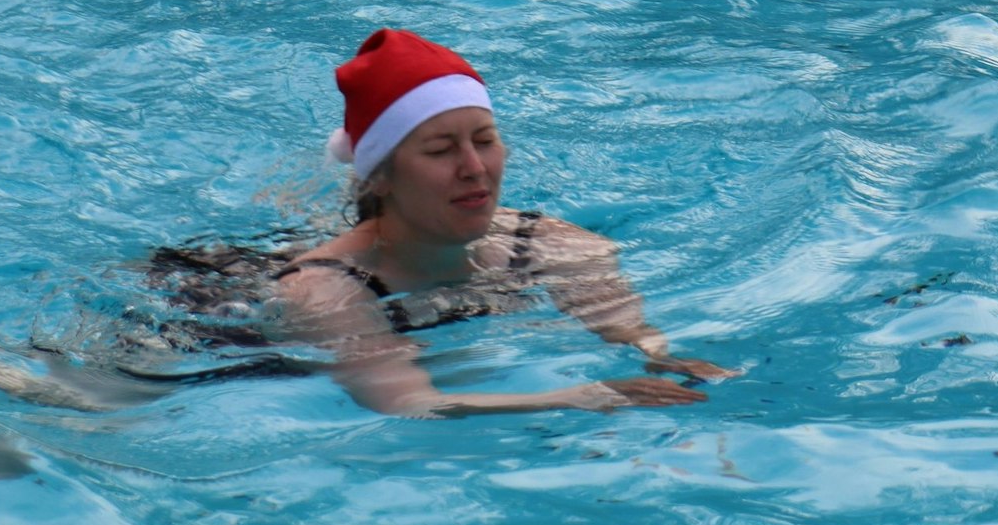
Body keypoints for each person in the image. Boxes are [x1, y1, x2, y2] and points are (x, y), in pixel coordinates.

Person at [274, 28, 729, 417]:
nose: (474, 167)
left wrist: (656, 354)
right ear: (381, 178)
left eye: (485, 140)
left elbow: (621, 322)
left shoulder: (539, 240)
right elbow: (410, 403)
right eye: (440, 150)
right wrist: (579, 396)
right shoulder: (324, 294)